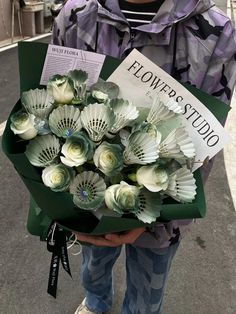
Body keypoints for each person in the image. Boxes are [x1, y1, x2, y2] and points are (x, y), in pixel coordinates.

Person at [52, 1, 236, 313]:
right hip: (88, 195)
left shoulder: (215, 32)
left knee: (148, 290)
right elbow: (52, 109)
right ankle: (96, 301)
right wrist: (62, 197)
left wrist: (157, 215)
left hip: (163, 209)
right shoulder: (75, 16)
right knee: (94, 263)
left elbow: (203, 142)